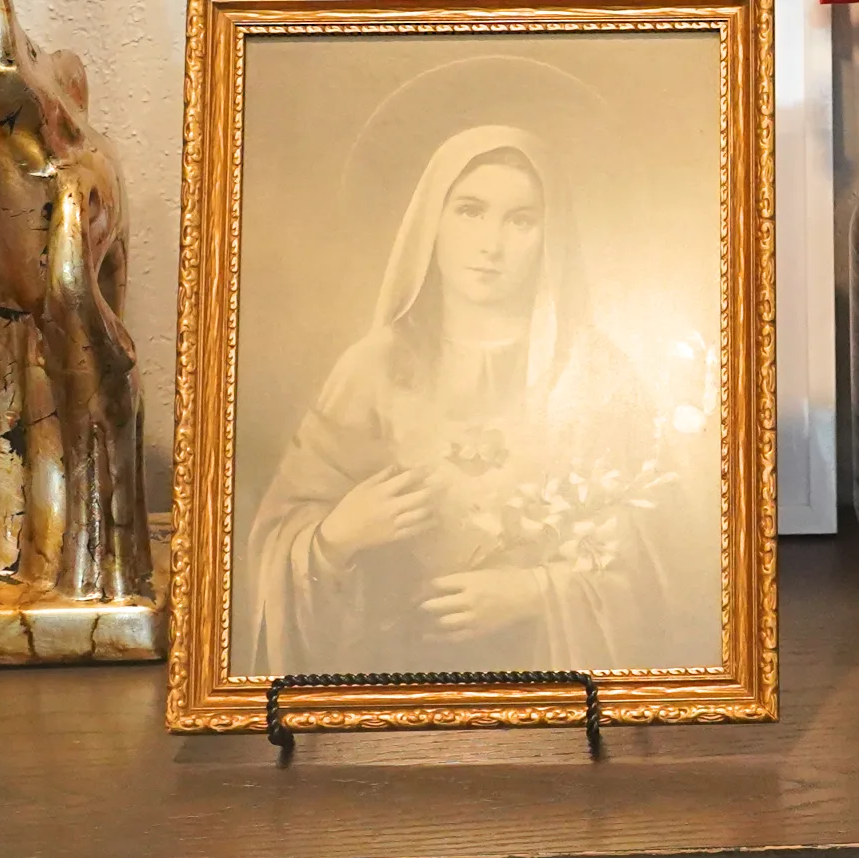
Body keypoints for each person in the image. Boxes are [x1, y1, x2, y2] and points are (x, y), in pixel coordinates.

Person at [243, 126, 689, 673]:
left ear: (552, 234)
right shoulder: (374, 369)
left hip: (549, 680)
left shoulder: (593, 373)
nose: (490, 244)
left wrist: (535, 592)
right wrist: (337, 537)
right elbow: (280, 534)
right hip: (395, 678)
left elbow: (663, 554)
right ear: (432, 218)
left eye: (521, 220)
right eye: (470, 211)